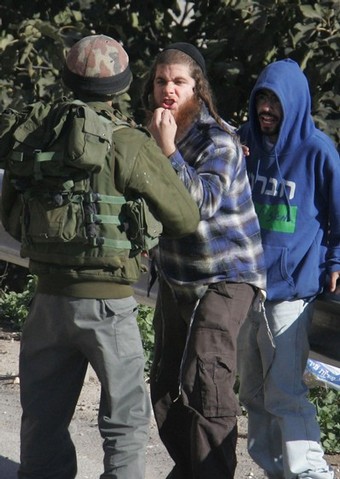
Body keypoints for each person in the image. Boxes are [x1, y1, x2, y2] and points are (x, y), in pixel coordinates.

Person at [4, 35, 200, 479]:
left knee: (42, 418)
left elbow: (13, 219)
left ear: (68, 80)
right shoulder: (128, 142)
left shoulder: (37, 133)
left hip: (48, 302)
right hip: (109, 306)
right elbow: (186, 217)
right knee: (125, 424)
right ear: (122, 85)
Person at [142, 42, 266, 479]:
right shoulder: (154, 131)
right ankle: (194, 469)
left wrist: (169, 152)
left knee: (206, 379)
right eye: (161, 81)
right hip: (178, 275)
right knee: (164, 385)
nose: (168, 90)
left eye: (179, 81)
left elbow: (200, 204)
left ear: (198, 88)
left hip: (227, 275)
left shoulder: (218, 139)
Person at [237, 58, 340, 479]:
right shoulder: (242, 143)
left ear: (293, 104)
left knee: (285, 392)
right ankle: (274, 471)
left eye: (274, 102)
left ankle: (310, 472)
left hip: (291, 294)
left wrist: (335, 260)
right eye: (261, 99)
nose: (266, 109)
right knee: (253, 393)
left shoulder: (318, 151)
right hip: (244, 288)